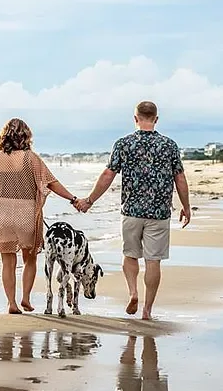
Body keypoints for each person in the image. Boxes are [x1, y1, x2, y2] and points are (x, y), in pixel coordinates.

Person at [75, 101, 190, 320]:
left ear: (135, 118)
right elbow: (180, 178)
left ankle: (133, 292)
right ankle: (147, 310)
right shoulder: (169, 145)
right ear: (156, 119)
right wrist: (186, 206)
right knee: (153, 260)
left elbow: (108, 175)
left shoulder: (123, 144)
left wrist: (89, 200)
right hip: (159, 213)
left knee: (130, 255)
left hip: (131, 211)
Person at [0, 118, 80, 314]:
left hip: (1, 213)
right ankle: (26, 298)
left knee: (7, 261)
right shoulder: (30, 158)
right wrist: (73, 198)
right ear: (26, 135)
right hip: (25, 214)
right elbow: (51, 183)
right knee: (30, 258)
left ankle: (11, 303)